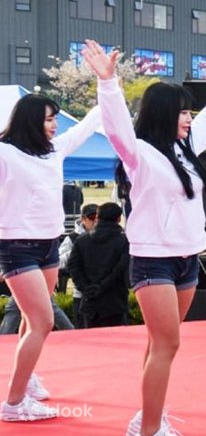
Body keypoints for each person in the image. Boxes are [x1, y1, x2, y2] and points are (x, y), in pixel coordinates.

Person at [84, 37, 206, 435]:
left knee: (159, 344)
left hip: (188, 258)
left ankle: (147, 417)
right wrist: (108, 83)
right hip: (153, 260)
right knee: (168, 344)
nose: (189, 118)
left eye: (189, 111)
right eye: (182, 112)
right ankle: (150, 428)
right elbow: (117, 128)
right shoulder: (138, 153)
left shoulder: (185, 149)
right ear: (162, 114)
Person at [0, 94, 101, 421]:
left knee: (31, 318)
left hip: (48, 245)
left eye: (55, 118)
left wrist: (107, 86)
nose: (55, 124)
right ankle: (14, 403)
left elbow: (86, 126)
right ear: (30, 120)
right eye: (48, 119)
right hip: (15, 246)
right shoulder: (4, 153)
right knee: (43, 321)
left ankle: (26, 378)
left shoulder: (53, 150)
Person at [67, 202, 130, 328]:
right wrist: (102, 286)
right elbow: (121, 269)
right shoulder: (123, 241)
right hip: (115, 300)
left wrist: (85, 288)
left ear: (97, 217)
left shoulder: (81, 240)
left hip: (89, 300)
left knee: (91, 338)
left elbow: (73, 267)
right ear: (119, 219)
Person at [58, 203, 98, 327]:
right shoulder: (72, 238)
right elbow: (59, 262)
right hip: (81, 293)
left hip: (104, 292)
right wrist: (76, 252)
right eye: (92, 217)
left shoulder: (106, 235)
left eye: (99, 218)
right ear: (83, 219)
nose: (95, 221)